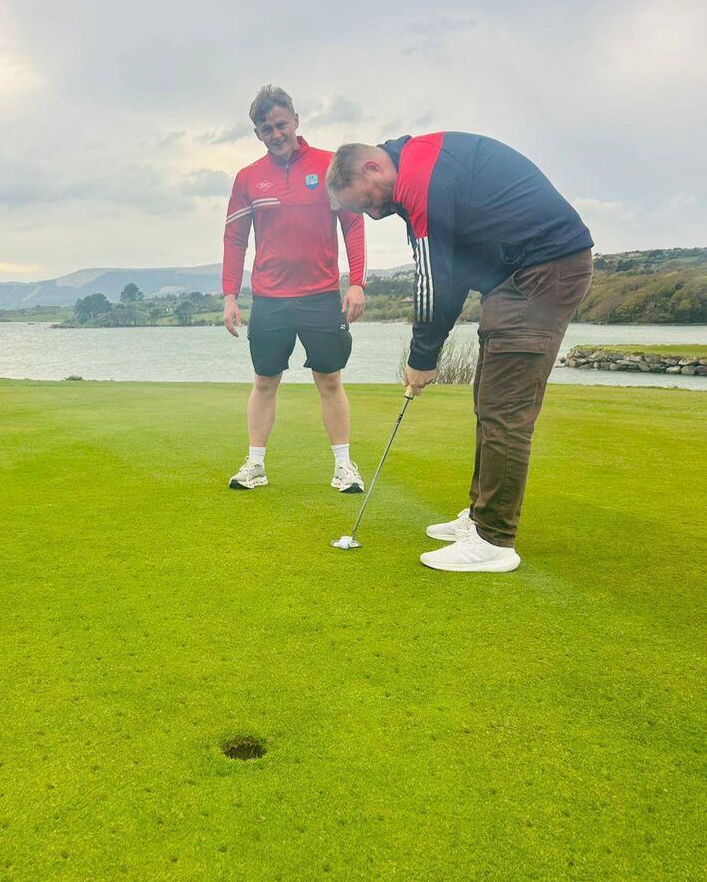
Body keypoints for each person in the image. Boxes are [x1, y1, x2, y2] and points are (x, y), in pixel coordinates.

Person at [326, 132, 593, 572]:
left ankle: (493, 540)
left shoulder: (419, 179)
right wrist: (427, 352)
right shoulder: (416, 170)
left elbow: (434, 281)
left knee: (504, 409)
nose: (373, 213)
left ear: (373, 167)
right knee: (489, 401)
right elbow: (448, 273)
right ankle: (481, 515)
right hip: (519, 276)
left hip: (544, 272)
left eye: (367, 201)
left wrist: (422, 357)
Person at [223, 85, 367, 493]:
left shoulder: (328, 166)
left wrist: (357, 282)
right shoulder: (248, 178)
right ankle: (255, 465)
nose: (276, 134)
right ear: (258, 133)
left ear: (296, 120)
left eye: (281, 124)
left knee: (330, 379)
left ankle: (344, 467)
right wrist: (230, 295)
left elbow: (353, 225)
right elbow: (235, 239)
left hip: (321, 296)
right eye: (267, 129)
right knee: (264, 381)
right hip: (270, 299)